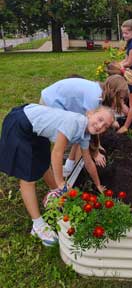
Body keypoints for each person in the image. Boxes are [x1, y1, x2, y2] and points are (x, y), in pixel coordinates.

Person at [0, 104, 114, 246]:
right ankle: (38, 225)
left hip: (33, 127)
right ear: (90, 114)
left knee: (42, 160)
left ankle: (55, 192)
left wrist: (98, 185)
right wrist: (61, 182)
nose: (100, 126)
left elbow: (88, 161)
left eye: (105, 126)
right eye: (100, 119)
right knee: (28, 176)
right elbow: (57, 153)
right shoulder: (74, 123)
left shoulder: (85, 133)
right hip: (20, 124)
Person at [40, 76, 129, 175]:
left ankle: (70, 167)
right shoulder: (94, 98)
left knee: (78, 133)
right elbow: (90, 128)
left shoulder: (100, 93)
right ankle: (60, 171)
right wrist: (95, 153)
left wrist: (98, 144)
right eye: (120, 98)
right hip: (51, 102)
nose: (121, 101)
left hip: (61, 102)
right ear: (113, 92)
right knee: (66, 138)